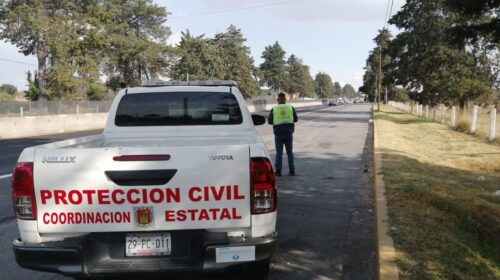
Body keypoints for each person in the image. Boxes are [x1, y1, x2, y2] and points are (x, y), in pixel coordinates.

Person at [268, 93, 298, 176]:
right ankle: (292, 171)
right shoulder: (290, 107)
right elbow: (296, 119)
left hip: (278, 134)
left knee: (279, 153)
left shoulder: (274, 108)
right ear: (285, 100)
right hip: (289, 133)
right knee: (290, 153)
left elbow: (269, 122)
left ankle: (278, 171)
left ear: (277, 100)